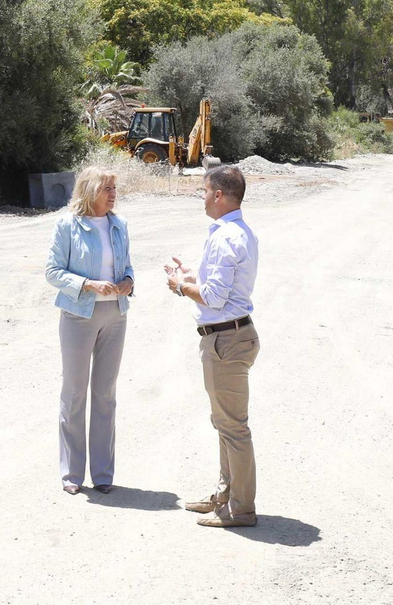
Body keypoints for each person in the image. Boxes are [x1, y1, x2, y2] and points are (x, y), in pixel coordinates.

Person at [164, 164, 259, 528]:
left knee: (233, 427)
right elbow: (223, 287)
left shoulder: (223, 237)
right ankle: (225, 495)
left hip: (225, 339)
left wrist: (179, 285)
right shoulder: (239, 232)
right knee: (225, 423)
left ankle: (240, 508)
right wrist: (192, 276)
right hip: (232, 336)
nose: (202, 197)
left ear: (219, 194)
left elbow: (215, 298)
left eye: (204, 191)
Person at [44, 167, 134, 495]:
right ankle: (71, 475)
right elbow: (52, 272)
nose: (113, 193)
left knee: (105, 394)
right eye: (106, 188)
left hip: (115, 315)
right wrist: (86, 284)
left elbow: (127, 266)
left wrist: (128, 281)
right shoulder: (67, 225)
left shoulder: (119, 225)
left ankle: (103, 474)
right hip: (78, 315)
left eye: (114, 187)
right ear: (89, 190)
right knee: (74, 393)